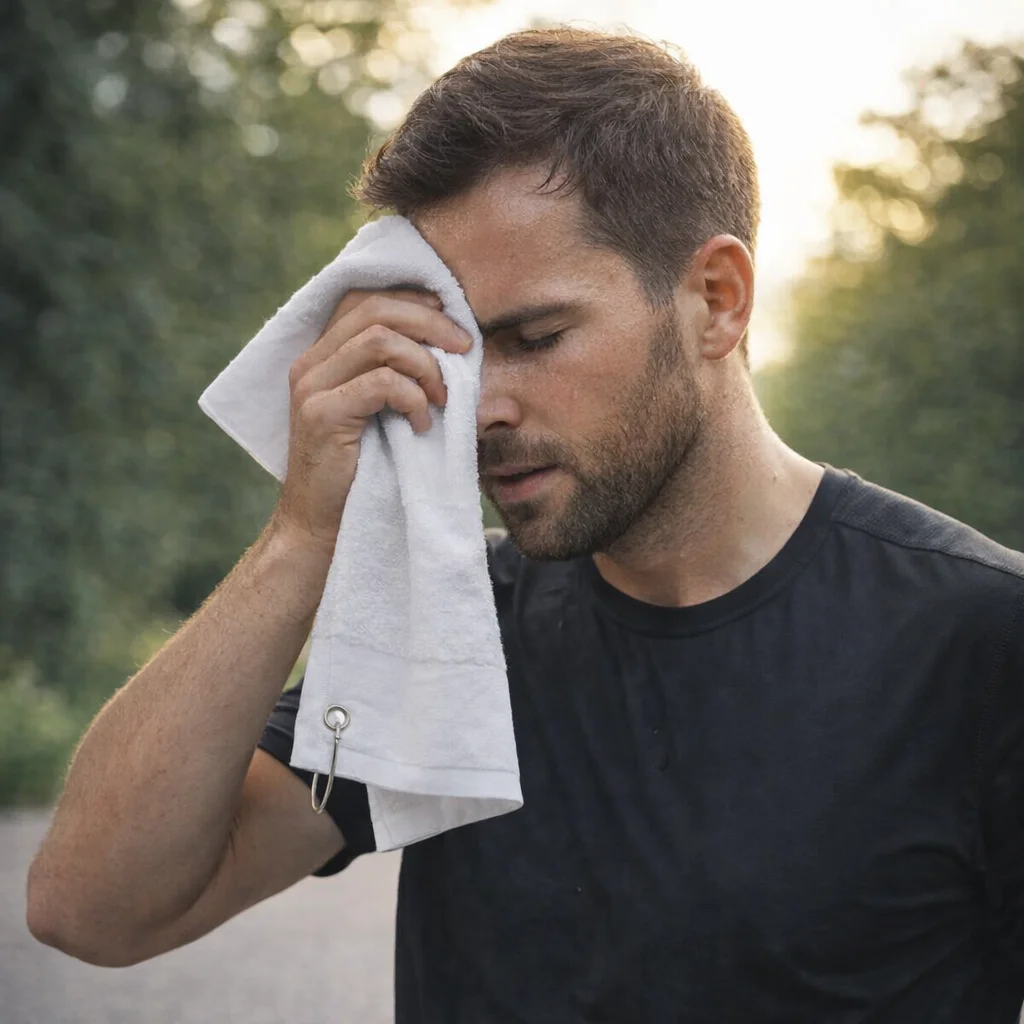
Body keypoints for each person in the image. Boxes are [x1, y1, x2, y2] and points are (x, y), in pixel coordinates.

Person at [25, 25, 1024, 1023]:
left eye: (533, 337)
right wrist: (301, 534)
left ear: (715, 301)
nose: (482, 407)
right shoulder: (459, 633)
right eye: (454, 357)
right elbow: (93, 909)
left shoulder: (977, 638)